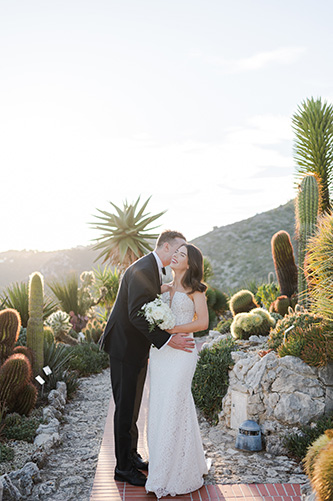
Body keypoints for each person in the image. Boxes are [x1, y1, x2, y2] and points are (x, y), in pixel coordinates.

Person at [99, 230, 195, 487]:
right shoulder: (143, 268)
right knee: (125, 408)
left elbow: (145, 303)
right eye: (177, 250)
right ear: (165, 247)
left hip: (135, 348)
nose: (178, 255)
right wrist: (167, 339)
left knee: (132, 405)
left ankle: (131, 455)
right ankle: (122, 468)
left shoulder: (151, 268)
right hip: (124, 348)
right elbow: (136, 314)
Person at [145, 243, 209, 498]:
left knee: (175, 401)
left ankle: (174, 472)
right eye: (176, 253)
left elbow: (202, 322)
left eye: (182, 255)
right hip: (161, 355)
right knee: (161, 404)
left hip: (183, 353)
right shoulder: (163, 288)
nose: (176, 256)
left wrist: (172, 331)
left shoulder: (197, 290)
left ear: (190, 263)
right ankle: (165, 462)